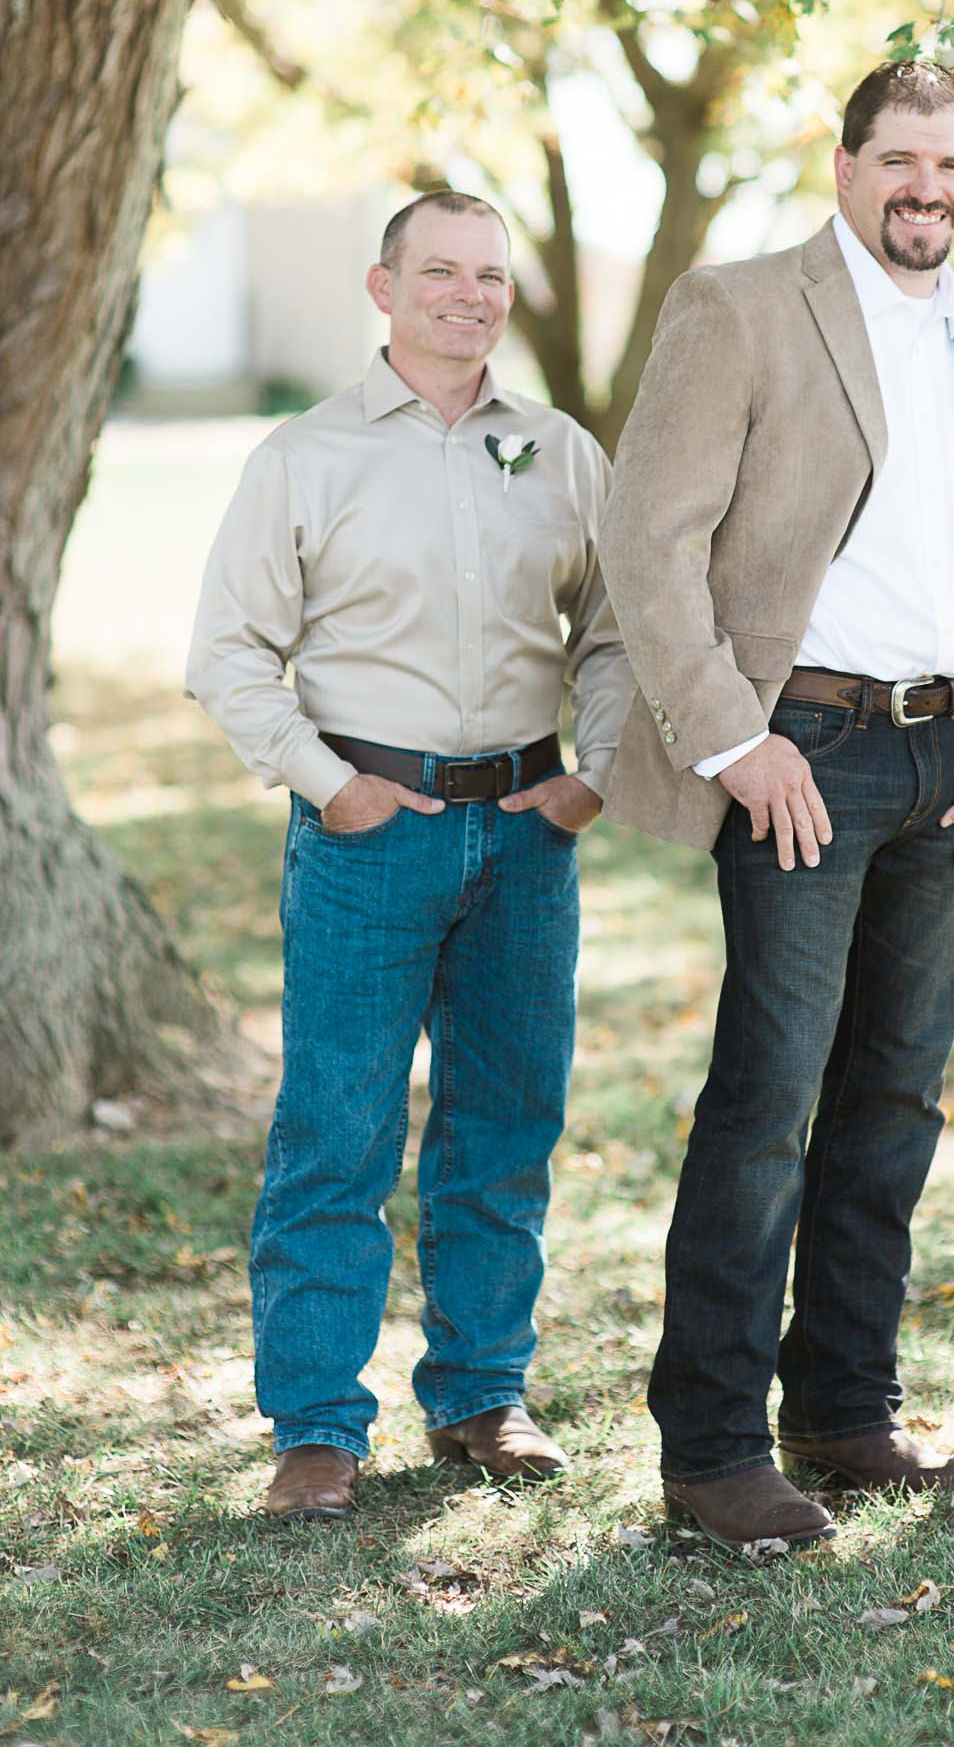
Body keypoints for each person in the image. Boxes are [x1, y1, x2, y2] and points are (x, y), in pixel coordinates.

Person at [599, 60, 954, 1548]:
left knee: (895, 1101)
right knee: (766, 1101)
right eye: (900, 161)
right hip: (801, 752)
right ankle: (715, 1450)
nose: (927, 188)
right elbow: (648, 533)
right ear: (846, 162)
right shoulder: (739, 307)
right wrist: (733, 739)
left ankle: (844, 1412)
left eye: (953, 165)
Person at [187, 190, 631, 1519]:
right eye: (440, 272)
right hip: (368, 834)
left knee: (505, 1125)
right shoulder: (305, 457)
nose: (469, 295)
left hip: (524, 832)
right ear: (384, 289)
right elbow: (227, 653)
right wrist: (330, 786)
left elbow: (612, 634)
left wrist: (591, 775)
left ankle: (484, 1395)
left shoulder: (558, 452)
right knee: (338, 1130)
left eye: (489, 275)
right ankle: (317, 1426)